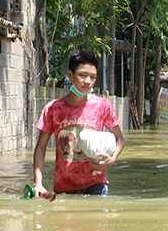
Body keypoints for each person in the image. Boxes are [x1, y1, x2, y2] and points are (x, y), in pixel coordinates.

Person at [33, 49, 126, 196]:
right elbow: (40, 148)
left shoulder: (102, 106)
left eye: (92, 77)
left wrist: (111, 159)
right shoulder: (53, 109)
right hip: (64, 187)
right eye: (82, 75)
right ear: (70, 75)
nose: (88, 81)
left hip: (97, 184)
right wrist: (38, 183)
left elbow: (120, 139)